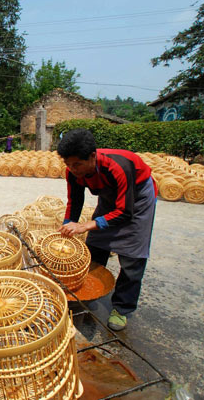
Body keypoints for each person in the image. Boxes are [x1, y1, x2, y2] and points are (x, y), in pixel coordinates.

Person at [57, 128, 157, 331]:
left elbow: (124, 212)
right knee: (95, 246)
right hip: (110, 196)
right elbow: (75, 201)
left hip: (137, 200)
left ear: (92, 156)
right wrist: (69, 224)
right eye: (68, 164)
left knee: (132, 257)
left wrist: (86, 225)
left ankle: (122, 308)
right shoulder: (73, 172)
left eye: (77, 164)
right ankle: (89, 293)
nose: (72, 169)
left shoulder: (118, 166)